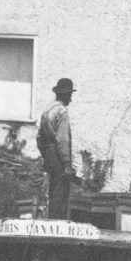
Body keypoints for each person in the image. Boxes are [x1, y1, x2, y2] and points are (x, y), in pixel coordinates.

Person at [38, 78, 76, 219]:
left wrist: (46, 154)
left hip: (48, 154)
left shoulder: (47, 110)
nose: (70, 99)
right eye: (70, 95)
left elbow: (39, 138)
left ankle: (48, 221)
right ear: (65, 95)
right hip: (58, 156)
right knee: (60, 192)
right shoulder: (62, 112)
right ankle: (57, 223)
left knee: (50, 189)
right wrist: (66, 164)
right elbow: (63, 139)